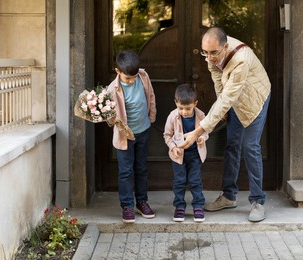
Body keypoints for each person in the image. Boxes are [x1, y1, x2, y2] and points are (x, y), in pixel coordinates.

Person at [178, 27, 271, 222]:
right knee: (232, 145)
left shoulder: (241, 59)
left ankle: (258, 201)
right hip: (234, 99)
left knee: (250, 147)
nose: (209, 57)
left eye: (213, 53)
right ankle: (229, 196)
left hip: (255, 99)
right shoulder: (212, 52)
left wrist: (198, 131)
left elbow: (228, 97)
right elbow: (218, 78)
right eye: (205, 52)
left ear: (225, 46)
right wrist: (223, 107)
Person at [107, 50, 157, 223]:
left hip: (143, 131)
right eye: (128, 78)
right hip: (124, 136)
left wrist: (151, 117)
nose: (132, 80)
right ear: (117, 71)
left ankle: (142, 201)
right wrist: (110, 119)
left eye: (134, 77)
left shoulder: (143, 77)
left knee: (142, 168)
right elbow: (108, 115)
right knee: (126, 171)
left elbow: (150, 96)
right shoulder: (112, 89)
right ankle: (127, 205)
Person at [163, 84, 209, 222]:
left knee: (195, 181)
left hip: (195, 154)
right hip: (179, 156)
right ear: (176, 102)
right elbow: (167, 135)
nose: (184, 112)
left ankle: (198, 206)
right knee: (179, 181)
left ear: (195, 103)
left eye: (188, 108)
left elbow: (206, 131)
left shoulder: (200, 115)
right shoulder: (172, 116)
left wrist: (201, 138)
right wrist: (173, 147)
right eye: (181, 108)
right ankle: (179, 207)